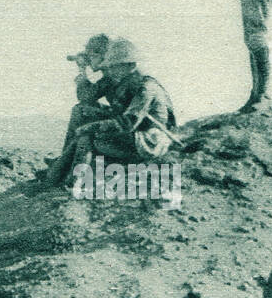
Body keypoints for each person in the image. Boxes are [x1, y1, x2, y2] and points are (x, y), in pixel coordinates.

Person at [45, 39, 177, 187]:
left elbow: (128, 123)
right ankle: (58, 173)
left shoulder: (146, 86)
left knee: (85, 137)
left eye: (114, 66)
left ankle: (70, 180)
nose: (110, 70)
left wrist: (91, 127)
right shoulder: (120, 78)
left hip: (147, 139)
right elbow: (87, 97)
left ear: (130, 65)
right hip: (133, 131)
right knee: (82, 123)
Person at [59, 33, 117, 152]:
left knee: (79, 110)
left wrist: (83, 71)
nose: (89, 61)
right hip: (121, 116)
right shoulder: (108, 75)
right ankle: (66, 155)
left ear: (102, 57)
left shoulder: (112, 75)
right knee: (82, 108)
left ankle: (66, 155)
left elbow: (85, 98)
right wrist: (83, 69)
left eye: (92, 56)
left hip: (125, 120)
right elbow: (86, 98)